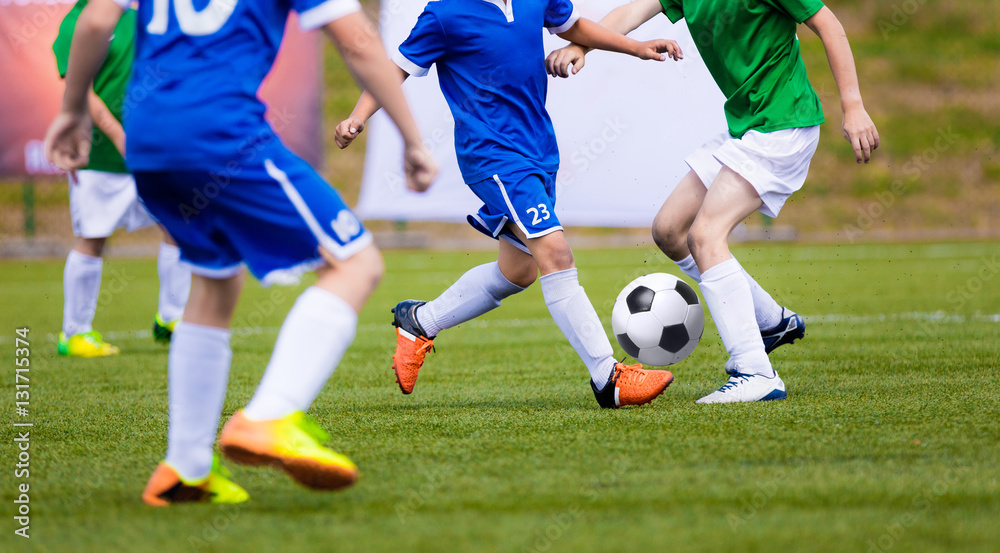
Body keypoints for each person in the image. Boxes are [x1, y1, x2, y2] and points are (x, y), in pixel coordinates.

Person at [45, 0, 437, 505]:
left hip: (147, 138)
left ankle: (184, 469)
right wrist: (413, 139)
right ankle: (271, 415)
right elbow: (357, 41)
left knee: (215, 282)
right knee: (356, 262)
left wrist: (73, 111)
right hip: (220, 134)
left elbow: (97, 20)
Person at [336, 0, 683, 408]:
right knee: (556, 253)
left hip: (538, 150)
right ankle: (609, 377)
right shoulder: (445, 13)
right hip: (493, 157)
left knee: (518, 271)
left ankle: (421, 321)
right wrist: (358, 116)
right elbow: (393, 69)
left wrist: (635, 46)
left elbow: (573, 27)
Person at [546, 0, 880, 403]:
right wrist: (582, 46)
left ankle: (756, 371)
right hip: (746, 129)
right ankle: (770, 322)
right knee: (669, 230)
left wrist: (854, 106)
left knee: (705, 236)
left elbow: (829, 24)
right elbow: (633, 12)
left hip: (783, 125)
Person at [52, 0, 190, 358]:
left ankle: (173, 318)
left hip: (151, 153)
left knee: (179, 227)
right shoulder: (77, 22)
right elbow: (80, 91)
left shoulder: (139, 17)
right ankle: (75, 333)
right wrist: (117, 135)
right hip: (98, 157)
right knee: (92, 240)